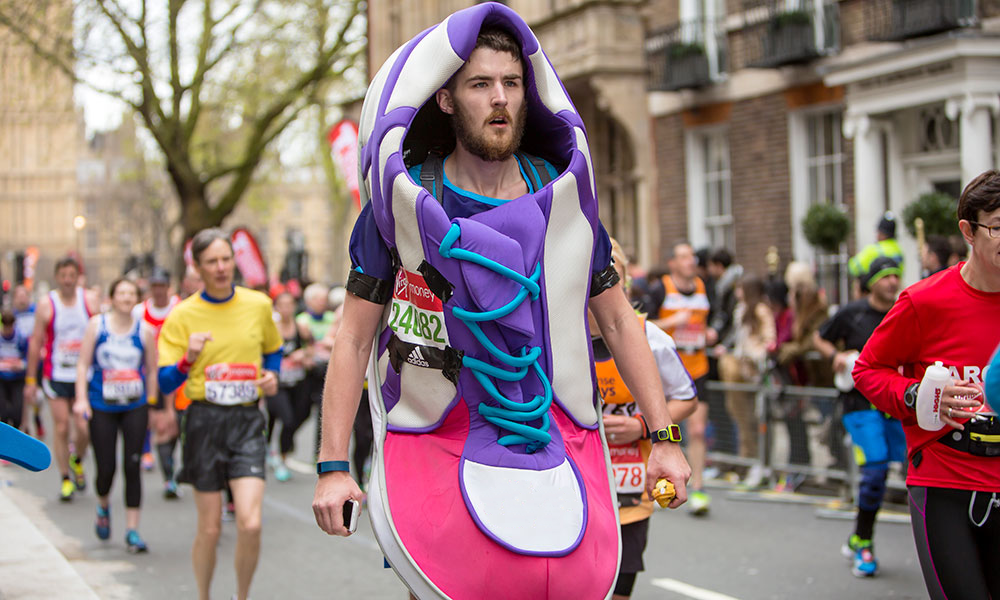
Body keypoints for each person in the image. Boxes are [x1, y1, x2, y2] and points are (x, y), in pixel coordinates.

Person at [311, 8, 690, 599]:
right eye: (481, 84)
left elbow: (617, 319)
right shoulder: (403, 202)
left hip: (552, 435)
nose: (500, 99)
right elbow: (355, 337)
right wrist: (333, 466)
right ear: (445, 99)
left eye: (512, 84)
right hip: (435, 437)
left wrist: (664, 441)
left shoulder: (566, 197)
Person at [853, 170, 1000, 599]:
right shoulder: (925, 300)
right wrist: (916, 396)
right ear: (968, 231)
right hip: (946, 478)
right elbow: (868, 370)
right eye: (997, 227)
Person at [157, 228, 281, 600]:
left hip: (245, 421)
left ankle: (241, 596)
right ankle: (204, 595)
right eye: (212, 261)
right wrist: (187, 359)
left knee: (251, 522)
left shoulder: (257, 306)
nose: (222, 267)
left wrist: (271, 374)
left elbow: (272, 349)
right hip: (203, 422)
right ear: (197, 267)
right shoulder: (182, 315)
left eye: (226, 258)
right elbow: (164, 382)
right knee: (210, 529)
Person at [594, 239, 697, 599]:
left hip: (632, 489)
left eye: (611, 279)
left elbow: (686, 398)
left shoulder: (650, 338)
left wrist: (641, 427)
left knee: (620, 586)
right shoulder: (557, 336)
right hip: (581, 482)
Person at [814, 254, 903, 577]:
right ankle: (862, 540)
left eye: (896, 275)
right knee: (876, 468)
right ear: (871, 281)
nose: (892, 281)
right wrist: (835, 356)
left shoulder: (903, 309)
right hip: (860, 405)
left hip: (897, 405)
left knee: (917, 473)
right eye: (885, 276)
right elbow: (819, 337)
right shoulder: (851, 312)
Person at [73, 278, 158, 553]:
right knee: (106, 467)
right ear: (112, 297)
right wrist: (82, 399)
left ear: (136, 299)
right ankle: (103, 504)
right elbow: (83, 363)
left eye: (130, 293)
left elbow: (152, 369)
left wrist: (153, 404)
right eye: (121, 292)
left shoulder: (144, 330)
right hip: (102, 405)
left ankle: (132, 530)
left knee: (132, 466)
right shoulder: (97, 325)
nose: (125, 297)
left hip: (135, 405)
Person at [25, 257, 98, 501]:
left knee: (83, 427)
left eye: (71, 275)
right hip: (56, 374)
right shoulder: (47, 304)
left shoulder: (89, 300)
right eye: (63, 276)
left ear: (78, 277)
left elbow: (101, 333)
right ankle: (65, 478)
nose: (67, 280)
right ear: (57, 277)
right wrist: (30, 380)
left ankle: (77, 459)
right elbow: (36, 342)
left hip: (84, 377)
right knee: (62, 427)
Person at [652, 241, 714, 515]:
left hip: (697, 365)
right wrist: (671, 322)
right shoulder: (661, 288)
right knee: (661, 429)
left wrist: (711, 333)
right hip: (667, 370)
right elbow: (638, 322)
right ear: (673, 263)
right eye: (684, 257)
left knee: (698, 430)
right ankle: (662, 482)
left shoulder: (703, 287)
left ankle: (698, 486)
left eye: (692, 257)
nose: (691, 261)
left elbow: (711, 320)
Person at [715, 274, 775, 487]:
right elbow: (737, 336)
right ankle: (747, 461)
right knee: (743, 418)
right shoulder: (741, 309)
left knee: (757, 419)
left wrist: (757, 352)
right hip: (741, 367)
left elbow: (769, 339)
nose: (737, 292)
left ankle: (757, 463)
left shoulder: (760, 309)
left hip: (754, 371)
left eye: (740, 288)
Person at [132, 267, 182, 499]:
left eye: (162, 285)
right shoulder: (139, 312)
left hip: (180, 376)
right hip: (153, 376)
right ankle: (169, 478)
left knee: (181, 427)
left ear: (168, 287)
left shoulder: (179, 308)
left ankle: (182, 469)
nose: (159, 290)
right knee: (162, 428)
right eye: (155, 286)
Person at [266, 291, 309, 482]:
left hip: (297, 382)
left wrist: (304, 354)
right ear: (277, 307)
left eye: (289, 304)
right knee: (286, 417)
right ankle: (279, 456)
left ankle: (275, 449)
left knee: (300, 414)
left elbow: (312, 348)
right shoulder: (272, 328)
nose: (286, 309)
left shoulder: (301, 327)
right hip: (277, 384)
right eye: (282, 304)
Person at [0, 310, 29, 431]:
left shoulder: (21, 338)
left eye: (9, 327)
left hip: (17, 379)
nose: (7, 330)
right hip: (2, 379)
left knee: (17, 413)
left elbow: (28, 358)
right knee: (3, 413)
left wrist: (21, 365)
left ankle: (16, 431)